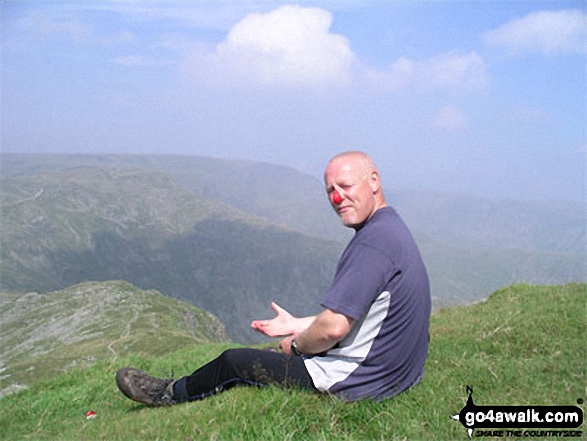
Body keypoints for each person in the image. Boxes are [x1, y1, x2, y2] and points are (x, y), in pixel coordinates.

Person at [116, 151, 431, 405]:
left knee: (234, 361)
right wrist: (296, 325)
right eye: (330, 191)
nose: (336, 198)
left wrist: (295, 346)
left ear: (373, 181)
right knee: (267, 358)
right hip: (397, 371)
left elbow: (333, 328)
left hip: (362, 380)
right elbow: (360, 311)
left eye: (345, 187)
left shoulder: (372, 245)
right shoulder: (390, 229)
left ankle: (170, 393)